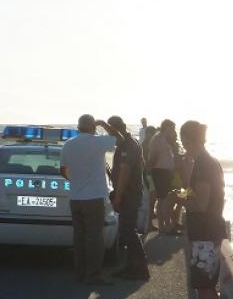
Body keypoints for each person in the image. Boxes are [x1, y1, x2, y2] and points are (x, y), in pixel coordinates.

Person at [174, 120, 226, 299]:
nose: (182, 145)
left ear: (187, 139)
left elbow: (201, 203)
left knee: (205, 287)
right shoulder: (205, 162)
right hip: (207, 232)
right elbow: (198, 195)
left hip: (206, 233)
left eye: (183, 140)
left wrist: (179, 198)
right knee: (204, 286)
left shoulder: (205, 164)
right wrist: (184, 187)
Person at [60, 114, 116, 285]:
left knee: (79, 237)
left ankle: (80, 273)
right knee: (95, 238)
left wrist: (75, 181)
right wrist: (104, 124)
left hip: (75, 198)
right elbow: (119, 138)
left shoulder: (68, 144)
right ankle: (93, 275)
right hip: (94, 198)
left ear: (78, 128)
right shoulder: (98, 142)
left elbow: (62, 170)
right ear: (93, 127)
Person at [106, 115, 149, 280]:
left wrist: (118, 196)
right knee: (126, 230)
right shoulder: (127, 143)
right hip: (128, 193)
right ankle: (131, 267)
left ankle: (140, 268)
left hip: (129, 194)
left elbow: (125, 171)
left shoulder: (129, 145)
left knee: (128, 230)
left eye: (111, 133)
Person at [146, 119, 176, 233]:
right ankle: (166, 226)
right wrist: (150, 173)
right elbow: (153, 157)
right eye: (172, 128)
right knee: (164, 200)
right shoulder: (158, 139)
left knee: (162, 200)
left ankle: (163, 227)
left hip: (164, 172)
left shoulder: (163, 138)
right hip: (160, 172)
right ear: (167, 128)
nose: (173, 131)